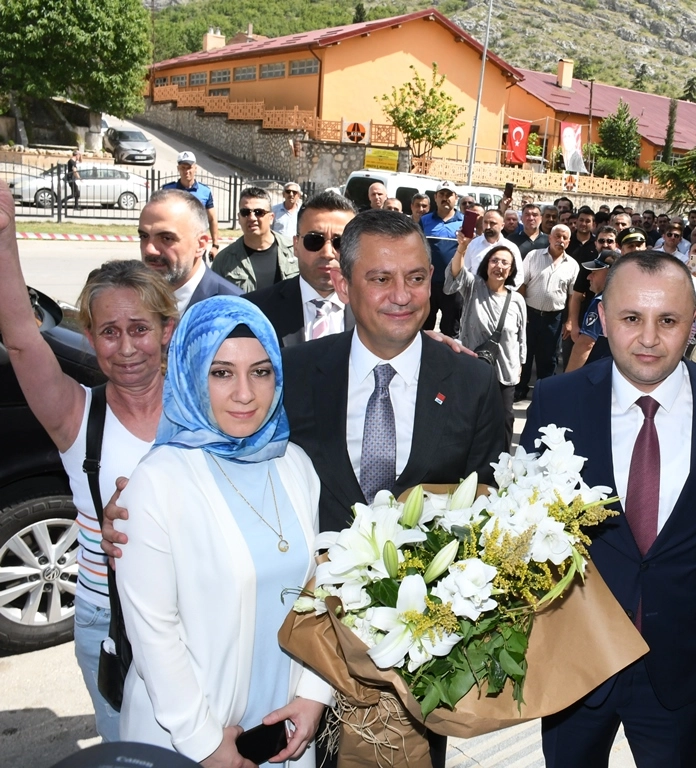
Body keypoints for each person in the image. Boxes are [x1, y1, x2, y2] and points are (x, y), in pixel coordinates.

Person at [103, 210, 507, 768]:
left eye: (416, 277)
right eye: (380, 278)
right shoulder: (289, 371)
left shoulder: (473, 382)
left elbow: (490, 512)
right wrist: (134, 513)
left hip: (402, 677)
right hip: (266, 689)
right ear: (342, 282)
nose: (402, 295)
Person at [524, 250, 696, 768]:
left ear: (695, 322)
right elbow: (522, 515)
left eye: (668, 320)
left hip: (680, 663)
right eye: (631, 318)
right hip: (576, 663)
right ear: (602, 317)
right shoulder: (556, 399)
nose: (649, 338)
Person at [115, 297, 331, 766]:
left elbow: (319, 594)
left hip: (285, 736)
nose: (245, 394)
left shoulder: (294, 465)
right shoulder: (159, 482)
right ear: (192, 373)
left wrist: (315, 694)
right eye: (221, 373)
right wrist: (206, 745)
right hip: (188, 743)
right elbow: (154, 633)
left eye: (260, 371)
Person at [0, 183, 178, 743]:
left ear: (166, 331)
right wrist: (5, 238)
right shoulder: (77, 416)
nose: (126, 347)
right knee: (130, 750)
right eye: (109, 332)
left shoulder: (206, 409)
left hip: (195, 611)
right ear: (90, 338)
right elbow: (24, 340)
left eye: (139, 329)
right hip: (110, 620)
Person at [244, 190, 358, 346]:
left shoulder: (375, 311)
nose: (327, 253)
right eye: (314, 240)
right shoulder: (255, 311)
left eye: (340, 242)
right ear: (296, 245)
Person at [445, 236, 527, 449]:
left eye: (504, 263)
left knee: (505, 419)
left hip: (505, 370)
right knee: (472, 417)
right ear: (486, 264)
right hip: (474, 366)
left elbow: (521, 336)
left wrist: (520, 364)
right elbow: (456, 275)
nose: (498, 266)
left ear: (511, 270)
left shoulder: (516, 299)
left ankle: (503, 466)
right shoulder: (474, 288)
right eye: (494, 261)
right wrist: (461, 250)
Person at [138, 189, 240, 316]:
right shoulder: (131, 298)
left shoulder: (234, 309)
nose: (149, 249)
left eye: (167, 238)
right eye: (144, 236)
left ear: (200, 245)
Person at [515, 224, 578, 401]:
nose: (561, 240)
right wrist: (521, 312)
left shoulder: (572, 265)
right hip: (530, 315)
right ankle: (521, 388)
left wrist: (570, 321)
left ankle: (544, 392)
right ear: (549, 238)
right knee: (525, 353)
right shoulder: (533, 256)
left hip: (554, 318)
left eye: (565, 238)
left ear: (569, 241)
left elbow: (573, 295)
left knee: (548, 357)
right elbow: (522, 284)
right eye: (557, 236)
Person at [212, 187, 299, 293]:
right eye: (245, 212)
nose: (252, 218)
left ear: (271, 218)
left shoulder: (295, 252)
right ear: (239, 218)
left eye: (259, 212)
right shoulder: (223, 260)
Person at [420, 180, 465, 337]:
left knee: (450, 332)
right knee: (424, 330)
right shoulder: (424, 221)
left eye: (449, 195)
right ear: (435, 197)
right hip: (428, 284)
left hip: (453, 285)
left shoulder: (465, 222)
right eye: (442, 194)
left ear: (456, 198)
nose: (445, 198)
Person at [162, 152, 220, 259]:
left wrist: (215, 245)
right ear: (178, 168)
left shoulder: (205, 192)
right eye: (183, 167)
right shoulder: (168, 190)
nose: (186, 171)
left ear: (195, 168)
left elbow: (212, 219)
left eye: (189, 167)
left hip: (197, 245)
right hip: (174, 245)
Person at [565, 249, 615, 373]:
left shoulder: (601, 302)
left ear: (610, 274)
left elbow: (585, 344)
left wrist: (567, 380)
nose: (588, 277)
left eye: (594, 272)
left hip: (598, 373)